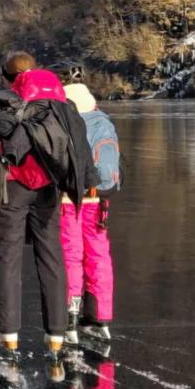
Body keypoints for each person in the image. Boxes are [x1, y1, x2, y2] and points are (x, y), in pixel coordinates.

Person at [0, 53, 96, 362]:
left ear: (7, 77)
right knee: (51, 258)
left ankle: (8, 333)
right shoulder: (60, 102)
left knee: (8, 257)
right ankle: (57, 334)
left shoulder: (5, 101)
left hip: (14, 186)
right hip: (49, 186)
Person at [61, 80, 120, 344]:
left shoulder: (64, 122)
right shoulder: (104, 122)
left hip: (69, 198)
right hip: (99, 198)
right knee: (99, 254)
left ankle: (70, 313)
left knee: (71, 254)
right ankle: (100, 315)